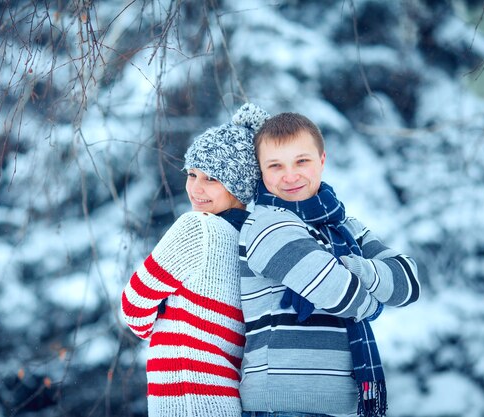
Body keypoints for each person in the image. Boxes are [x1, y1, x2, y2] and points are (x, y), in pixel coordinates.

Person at [239, 112, 421, 417]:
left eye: (301, 161)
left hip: (345, 406)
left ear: (322, 159)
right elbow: (337, 292)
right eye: (275, 166)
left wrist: (360, 269)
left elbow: (408, 283)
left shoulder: (345, 226)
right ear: (261, 171)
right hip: (282, 405)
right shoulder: (266, 224)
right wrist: (374, 301)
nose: (290, 175)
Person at [121, 103, 270, 417]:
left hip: (185, 402)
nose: (196, 188)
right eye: (192, 174)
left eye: (212, 179)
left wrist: (163, 319)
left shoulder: (198, 227)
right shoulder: (249, 245)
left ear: (238, 186)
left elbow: (133, 306)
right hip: (225, 404)